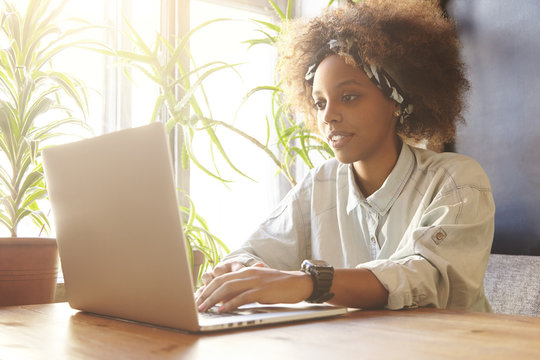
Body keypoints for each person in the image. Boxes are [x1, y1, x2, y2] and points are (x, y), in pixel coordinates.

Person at [195, 0, 495, 314]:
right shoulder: (319, 184)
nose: (329, 116)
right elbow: (252, 251)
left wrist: (308, 283)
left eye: (348, 97)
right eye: (320, 103)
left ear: (397, 100)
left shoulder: (457, 182)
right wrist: (245, 271)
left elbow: (426, 276)